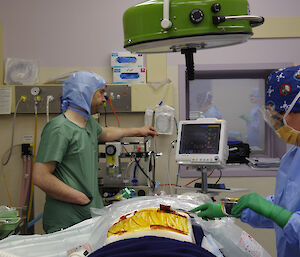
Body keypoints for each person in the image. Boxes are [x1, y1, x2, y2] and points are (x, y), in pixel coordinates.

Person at [189, 65, 300, 257]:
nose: (277, 125)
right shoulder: (293, 156)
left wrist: (275, 212)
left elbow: (280, 214)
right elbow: (284, 207)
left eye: (279, 117)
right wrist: (228, 209)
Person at [32, 71, 158, 233]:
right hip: (66, 220)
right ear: (84, 93)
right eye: (100, 93)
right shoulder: (59, 129)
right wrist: (80, 198)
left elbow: (104, 133)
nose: (104, 99)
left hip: (88, 217)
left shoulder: (88, 124)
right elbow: (40, 176)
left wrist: (137, 130)